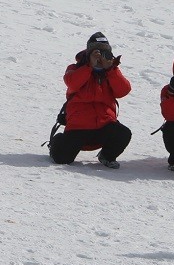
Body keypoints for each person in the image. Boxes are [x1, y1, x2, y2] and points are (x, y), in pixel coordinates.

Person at [48, 32, 132, 167]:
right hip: (78, 127)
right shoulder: (75, 68)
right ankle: (57, 143)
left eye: (104, 53)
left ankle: (107, 156)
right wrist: (89, 66)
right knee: (63, 158)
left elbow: (123, 90)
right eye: (96, 53)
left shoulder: (111, 71)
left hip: (105, 125)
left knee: (123, 134)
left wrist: (111, 69)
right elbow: (72, 83)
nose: (100, 58)